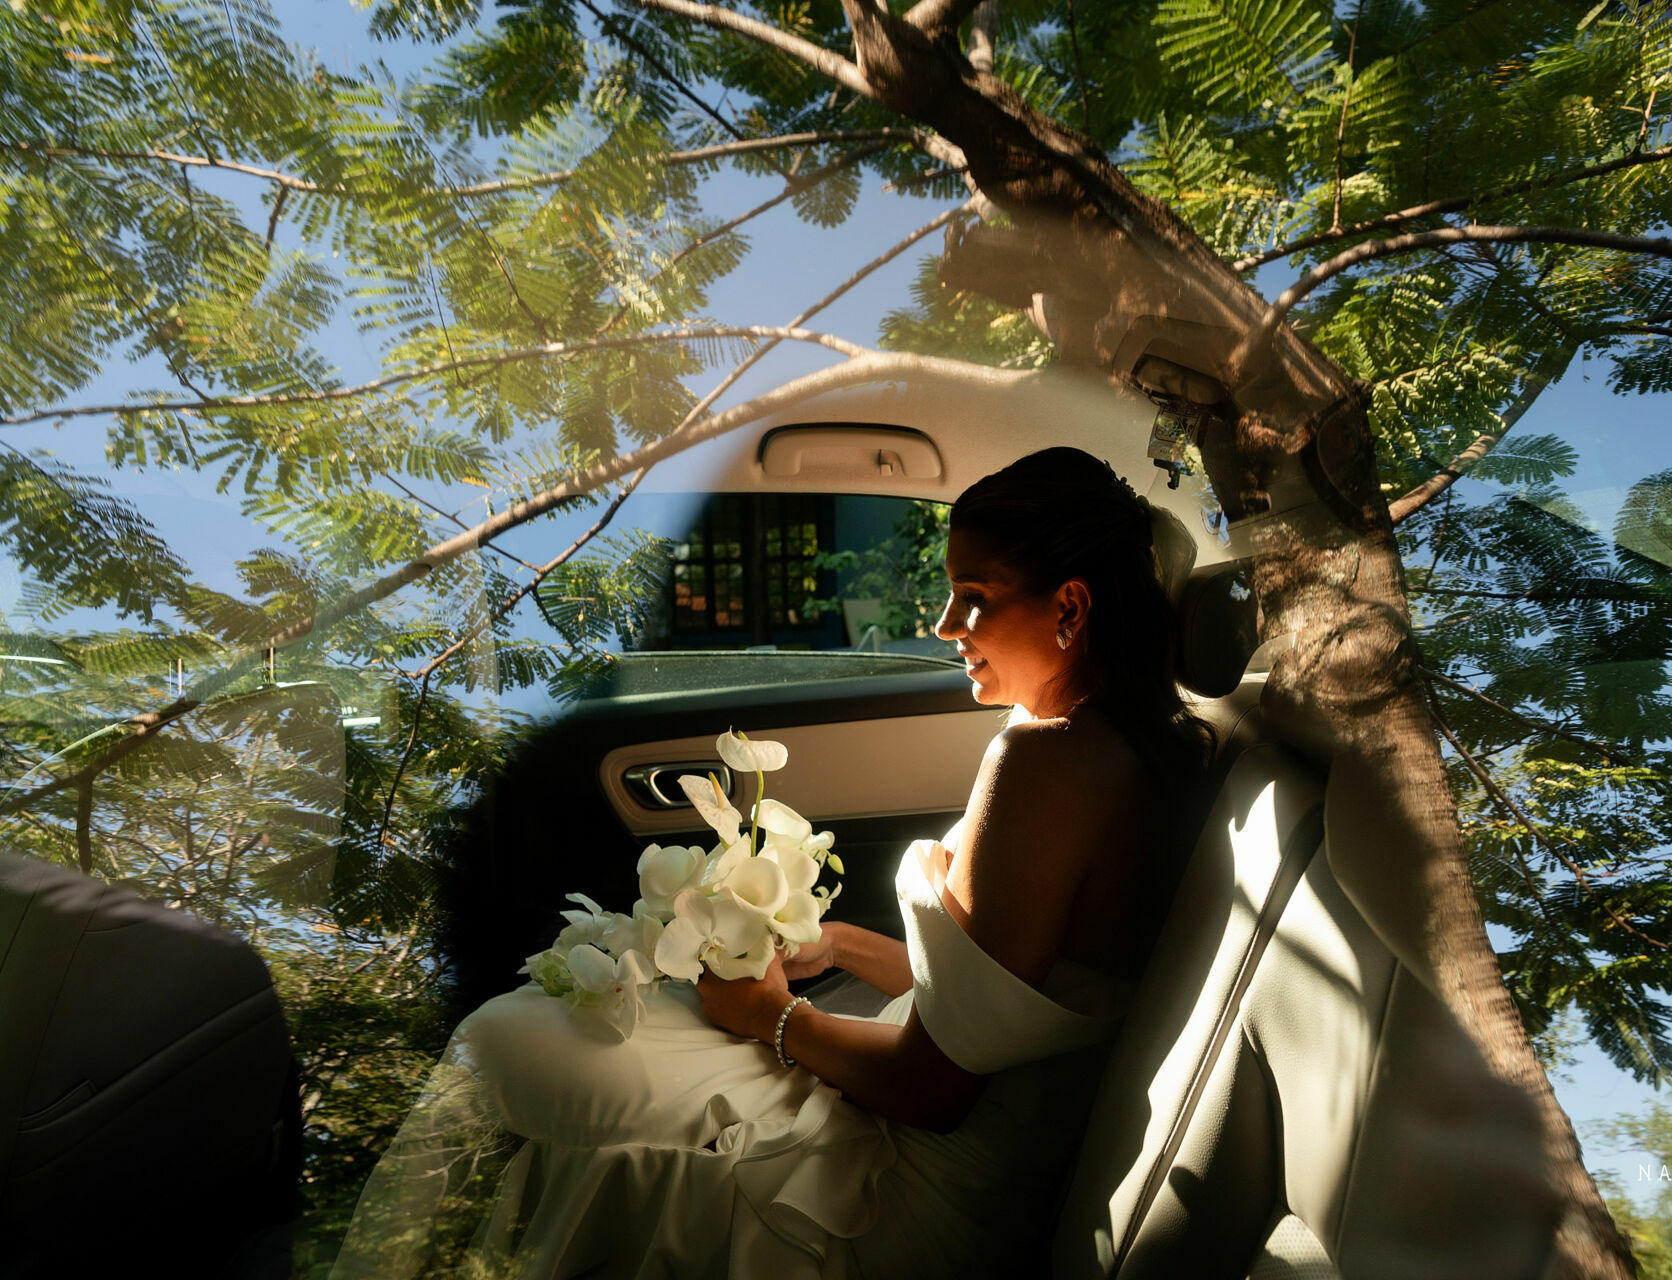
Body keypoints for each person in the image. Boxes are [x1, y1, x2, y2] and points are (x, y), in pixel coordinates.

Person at [330, 447, 1210, 1280]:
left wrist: (772, 1020)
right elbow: (1014, 1000)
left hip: (923, 1191)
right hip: (959, 1110)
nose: (944, 626)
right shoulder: (1112, 746)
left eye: (973, 596)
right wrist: (842, 946)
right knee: (581, 1043)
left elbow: (936, 1088)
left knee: (525, 1052)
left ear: (1070, 607)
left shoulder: (1046, 766)